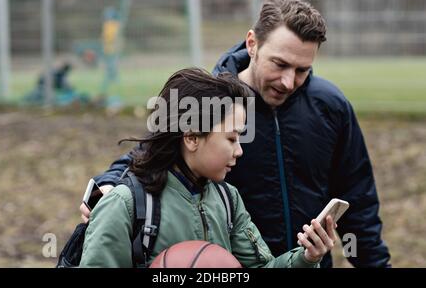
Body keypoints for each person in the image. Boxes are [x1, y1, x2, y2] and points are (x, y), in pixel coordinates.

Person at [81, 0, 391, 267]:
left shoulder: (331, 106)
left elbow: (358, 197)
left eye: (301, 70)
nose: (288, 81)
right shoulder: (214, 100)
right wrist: (108, 186)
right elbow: (153, 151)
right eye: (279, 64)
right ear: (252, 43)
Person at [79, 67, 337, 268]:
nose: (239, 151)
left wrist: (306, 257)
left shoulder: (228, 200)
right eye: (231, 138)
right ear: (191, 138)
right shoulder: (126, 204)